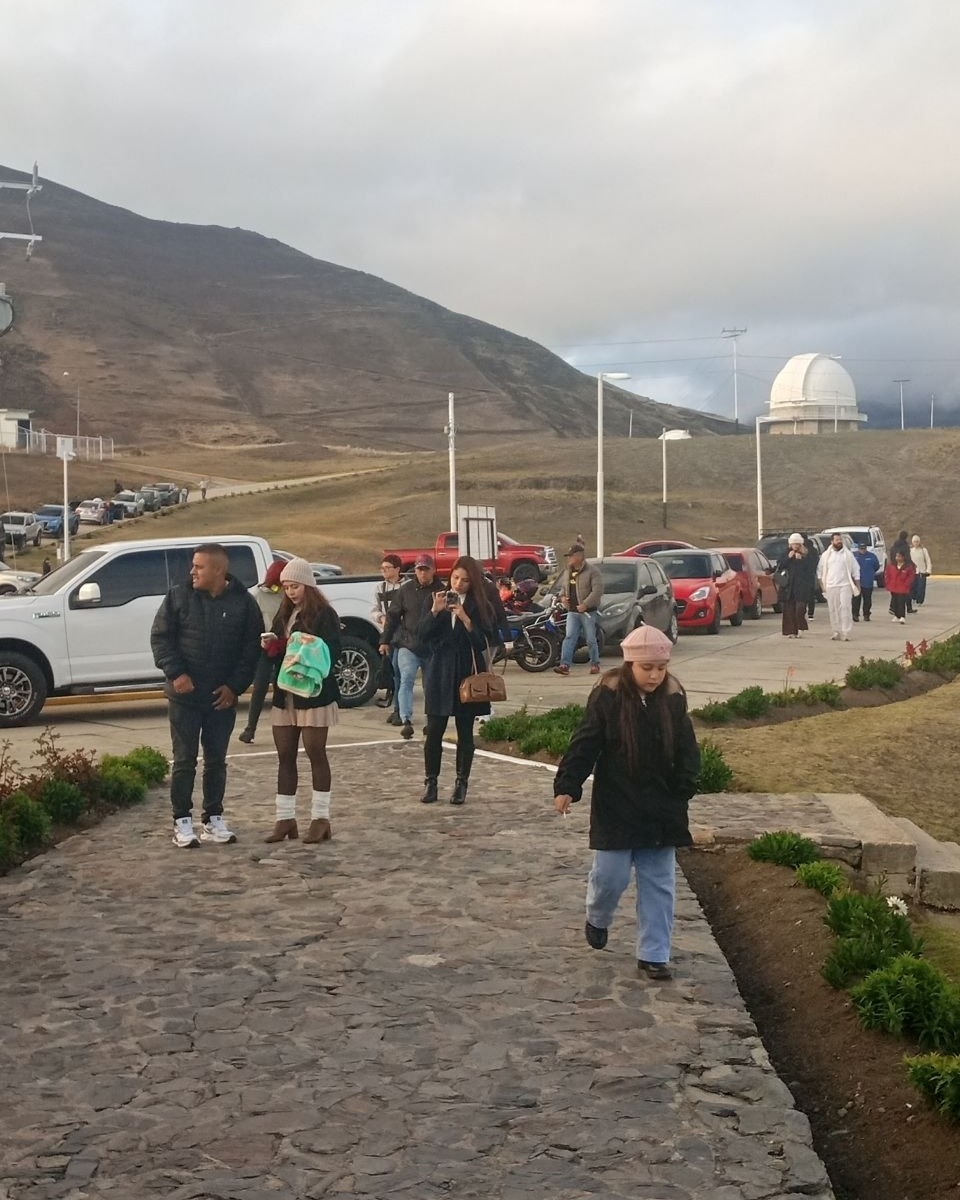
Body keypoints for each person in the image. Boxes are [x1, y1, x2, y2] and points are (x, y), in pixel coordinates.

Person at [552, 624, 700, 982]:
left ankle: (653, 954)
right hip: (616, 804)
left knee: (659, 882)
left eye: (660, 668)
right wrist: (568, 785)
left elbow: (687, 750)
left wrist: (684, 787)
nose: (654, 675)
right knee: (610, 877)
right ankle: (597, 917)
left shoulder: (673, 698)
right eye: (646, 667)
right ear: (630, 665)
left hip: (662, 807)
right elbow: (585, 743)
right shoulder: (608, 696)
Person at [151, 543, 263, 849]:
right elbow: (161, 639)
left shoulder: (244, 604)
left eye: (199, 566)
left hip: (220, 699)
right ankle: (181, 821)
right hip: (184, 697)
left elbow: (251, 651)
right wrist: (177, 674)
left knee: (216, 761)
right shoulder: (178, 596)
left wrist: (234, 687)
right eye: (193, 566)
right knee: (184, 760)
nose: (192, 571)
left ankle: (213, 818)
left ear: (218, 570)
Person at [263, 558, 342, 844]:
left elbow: (331, 652)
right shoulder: (284, 614)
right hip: (286, 695)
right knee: (285, 755)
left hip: (314, 694)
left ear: (307, 584)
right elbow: (278, 654)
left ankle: (320, 818)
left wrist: (293, 646)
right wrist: (271, 646)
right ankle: (284, 818)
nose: (290, 592)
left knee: (315, 753)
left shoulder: (325, 614)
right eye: (285, 587)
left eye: (294, 586)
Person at [418, 554, 500, 806]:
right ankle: (431, 782)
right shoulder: (437, 598)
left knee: (465, 732)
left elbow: (484, 641)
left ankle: (461, 782)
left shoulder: (480, 604)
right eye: (455, 578)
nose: (458, 584)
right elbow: (421, 635)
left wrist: (465, 617)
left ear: (472, 581)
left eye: (464, 580)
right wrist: (434, 612)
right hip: (440, 671)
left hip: (467, 671)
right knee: (434, 731)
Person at [379, 553, 445, 740]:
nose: (422, 573)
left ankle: (430, 720)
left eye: (426, 569)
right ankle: (406, 719)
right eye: (419, 569)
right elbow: (392, 617)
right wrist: (385, 640)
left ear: (433, 570)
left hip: (433, 646)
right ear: (414, 570)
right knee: (406, 680)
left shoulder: (442, 590)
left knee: (430, 684)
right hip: (408, 644)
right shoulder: (405, 590)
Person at [237, 560, 286, 743]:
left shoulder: (288, 593)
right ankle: (250, 728)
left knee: (284, 687)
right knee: (260, 688)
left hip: (285, 645)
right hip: (264, 647)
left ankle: (285, 727)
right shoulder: (257, 595)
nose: (278, 590)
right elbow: (248, 623)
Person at [553, 543, 603, 676]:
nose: (569, 559)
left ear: (579, 556)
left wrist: (586, 604)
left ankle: (595, 664)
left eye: (571, 556)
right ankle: (565, 665)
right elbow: (563, 588)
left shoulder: (593, 571)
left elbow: (597, 591)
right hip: (572, 612)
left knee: (591, 639)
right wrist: (562, 597)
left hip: (588, 612)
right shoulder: (568, 572)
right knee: (569, 637)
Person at [372, 555, 403, 716]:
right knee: (392, 669)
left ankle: (399, 709)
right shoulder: (380, 588)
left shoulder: (407, 586)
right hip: (389, 634)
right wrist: (381, 618)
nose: (383, 571)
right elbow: (374, 609)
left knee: (400, 671)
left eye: (387, 568)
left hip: (404, 633)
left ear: (397, 569)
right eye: (382, 568)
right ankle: (395, 703)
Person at [816, 532, 860, 642]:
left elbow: (855, 569)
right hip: (831, 586)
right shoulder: (826, 555)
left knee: (845, 607)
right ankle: (836, 631)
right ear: (832, 542)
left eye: (840, 540)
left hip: (845, 585)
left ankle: (846, 632)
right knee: (833, 609)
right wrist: (822, 585)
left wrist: (857, 584)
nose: (839, 541)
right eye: (837, 540)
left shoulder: (848, 554)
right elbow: (820, 571)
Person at [775, 533, 815, 637]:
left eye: (798, 544)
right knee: (789, 610)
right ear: (790, 544)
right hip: (788, 587)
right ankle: (791, 631)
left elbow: (810, 569)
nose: (796, 546)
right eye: (794, 544)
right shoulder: (786, 553)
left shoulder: (806, 554)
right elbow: (780, 566)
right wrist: (788, 558)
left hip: (802, 587)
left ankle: (801, 627)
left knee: (800, 609)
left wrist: (800, 560)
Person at [851, 542, 880, 623]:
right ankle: (855, 615)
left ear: (866, 548)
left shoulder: (872, 556)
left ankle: (866, 614)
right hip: (857, 582)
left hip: (868, 582)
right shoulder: (853, 556)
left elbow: (876, 566)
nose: (862, 550)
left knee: (867, 600)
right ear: (858, 548)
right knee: (856, 599)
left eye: (864, 548)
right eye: (861, 548)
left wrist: (870, 573)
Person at [884, 551, 916, 624]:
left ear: (903, 557)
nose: (897, 558)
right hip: (893, 586)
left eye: (899, 556)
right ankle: (896, 615)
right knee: (895, 601)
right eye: (896, 556)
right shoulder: (891, 566)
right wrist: (888, 583)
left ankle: (902, 616)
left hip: (902, 587)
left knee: (901, 602)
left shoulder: (907, 567)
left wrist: (906, 583)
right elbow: (887, 574)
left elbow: (911, 576)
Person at [888, 530, 910, 613]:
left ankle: (892, 607)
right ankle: (902, 609)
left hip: (894, 568)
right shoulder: (905, 547)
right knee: (903, 590)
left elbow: (891, 556)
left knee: (894, 588)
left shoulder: (894, 546)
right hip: (903, 568)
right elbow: (907, 557)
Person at [910, 535, 932, 608]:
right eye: (914, 542)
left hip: (922, 572)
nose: (916, 543)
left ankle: (920, 601)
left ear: (919, 542)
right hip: (913, 572)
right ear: (912, 542)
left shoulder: (923, 550)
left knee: (921, 587)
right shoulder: (910, 550)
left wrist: (928, 570)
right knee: (913, 586)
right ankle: (913, 598)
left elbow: (928, 560)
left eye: (917, 541)